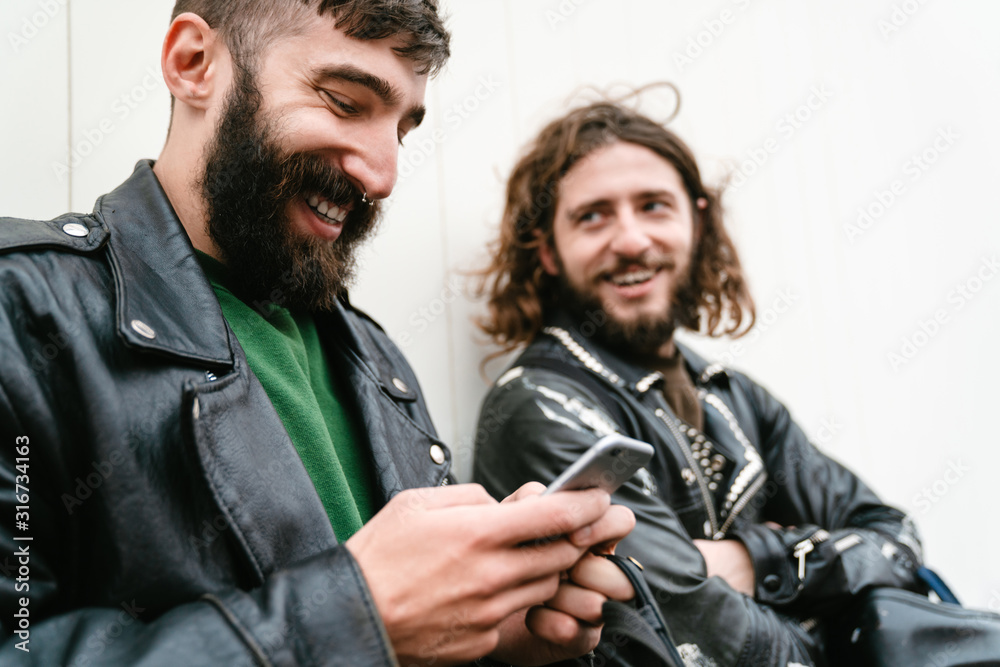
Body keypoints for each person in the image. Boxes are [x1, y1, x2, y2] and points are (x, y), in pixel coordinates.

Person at [0, 2, 637, 665]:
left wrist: (502, 639)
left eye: (403, 130)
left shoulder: (375, 359)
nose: (382, 175)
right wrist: (352, 616)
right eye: (344, 101)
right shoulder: (22, 310)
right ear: (193, 64)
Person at [472, 98, 926, 666]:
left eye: (654, 206)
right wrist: (826, 588)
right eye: (593, 216)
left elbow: (898, 538)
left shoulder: (734, 394)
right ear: (548, 251)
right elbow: (708, 645)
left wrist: (755, 560)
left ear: (698, 221)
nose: (632, 240)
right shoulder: (539, 406)